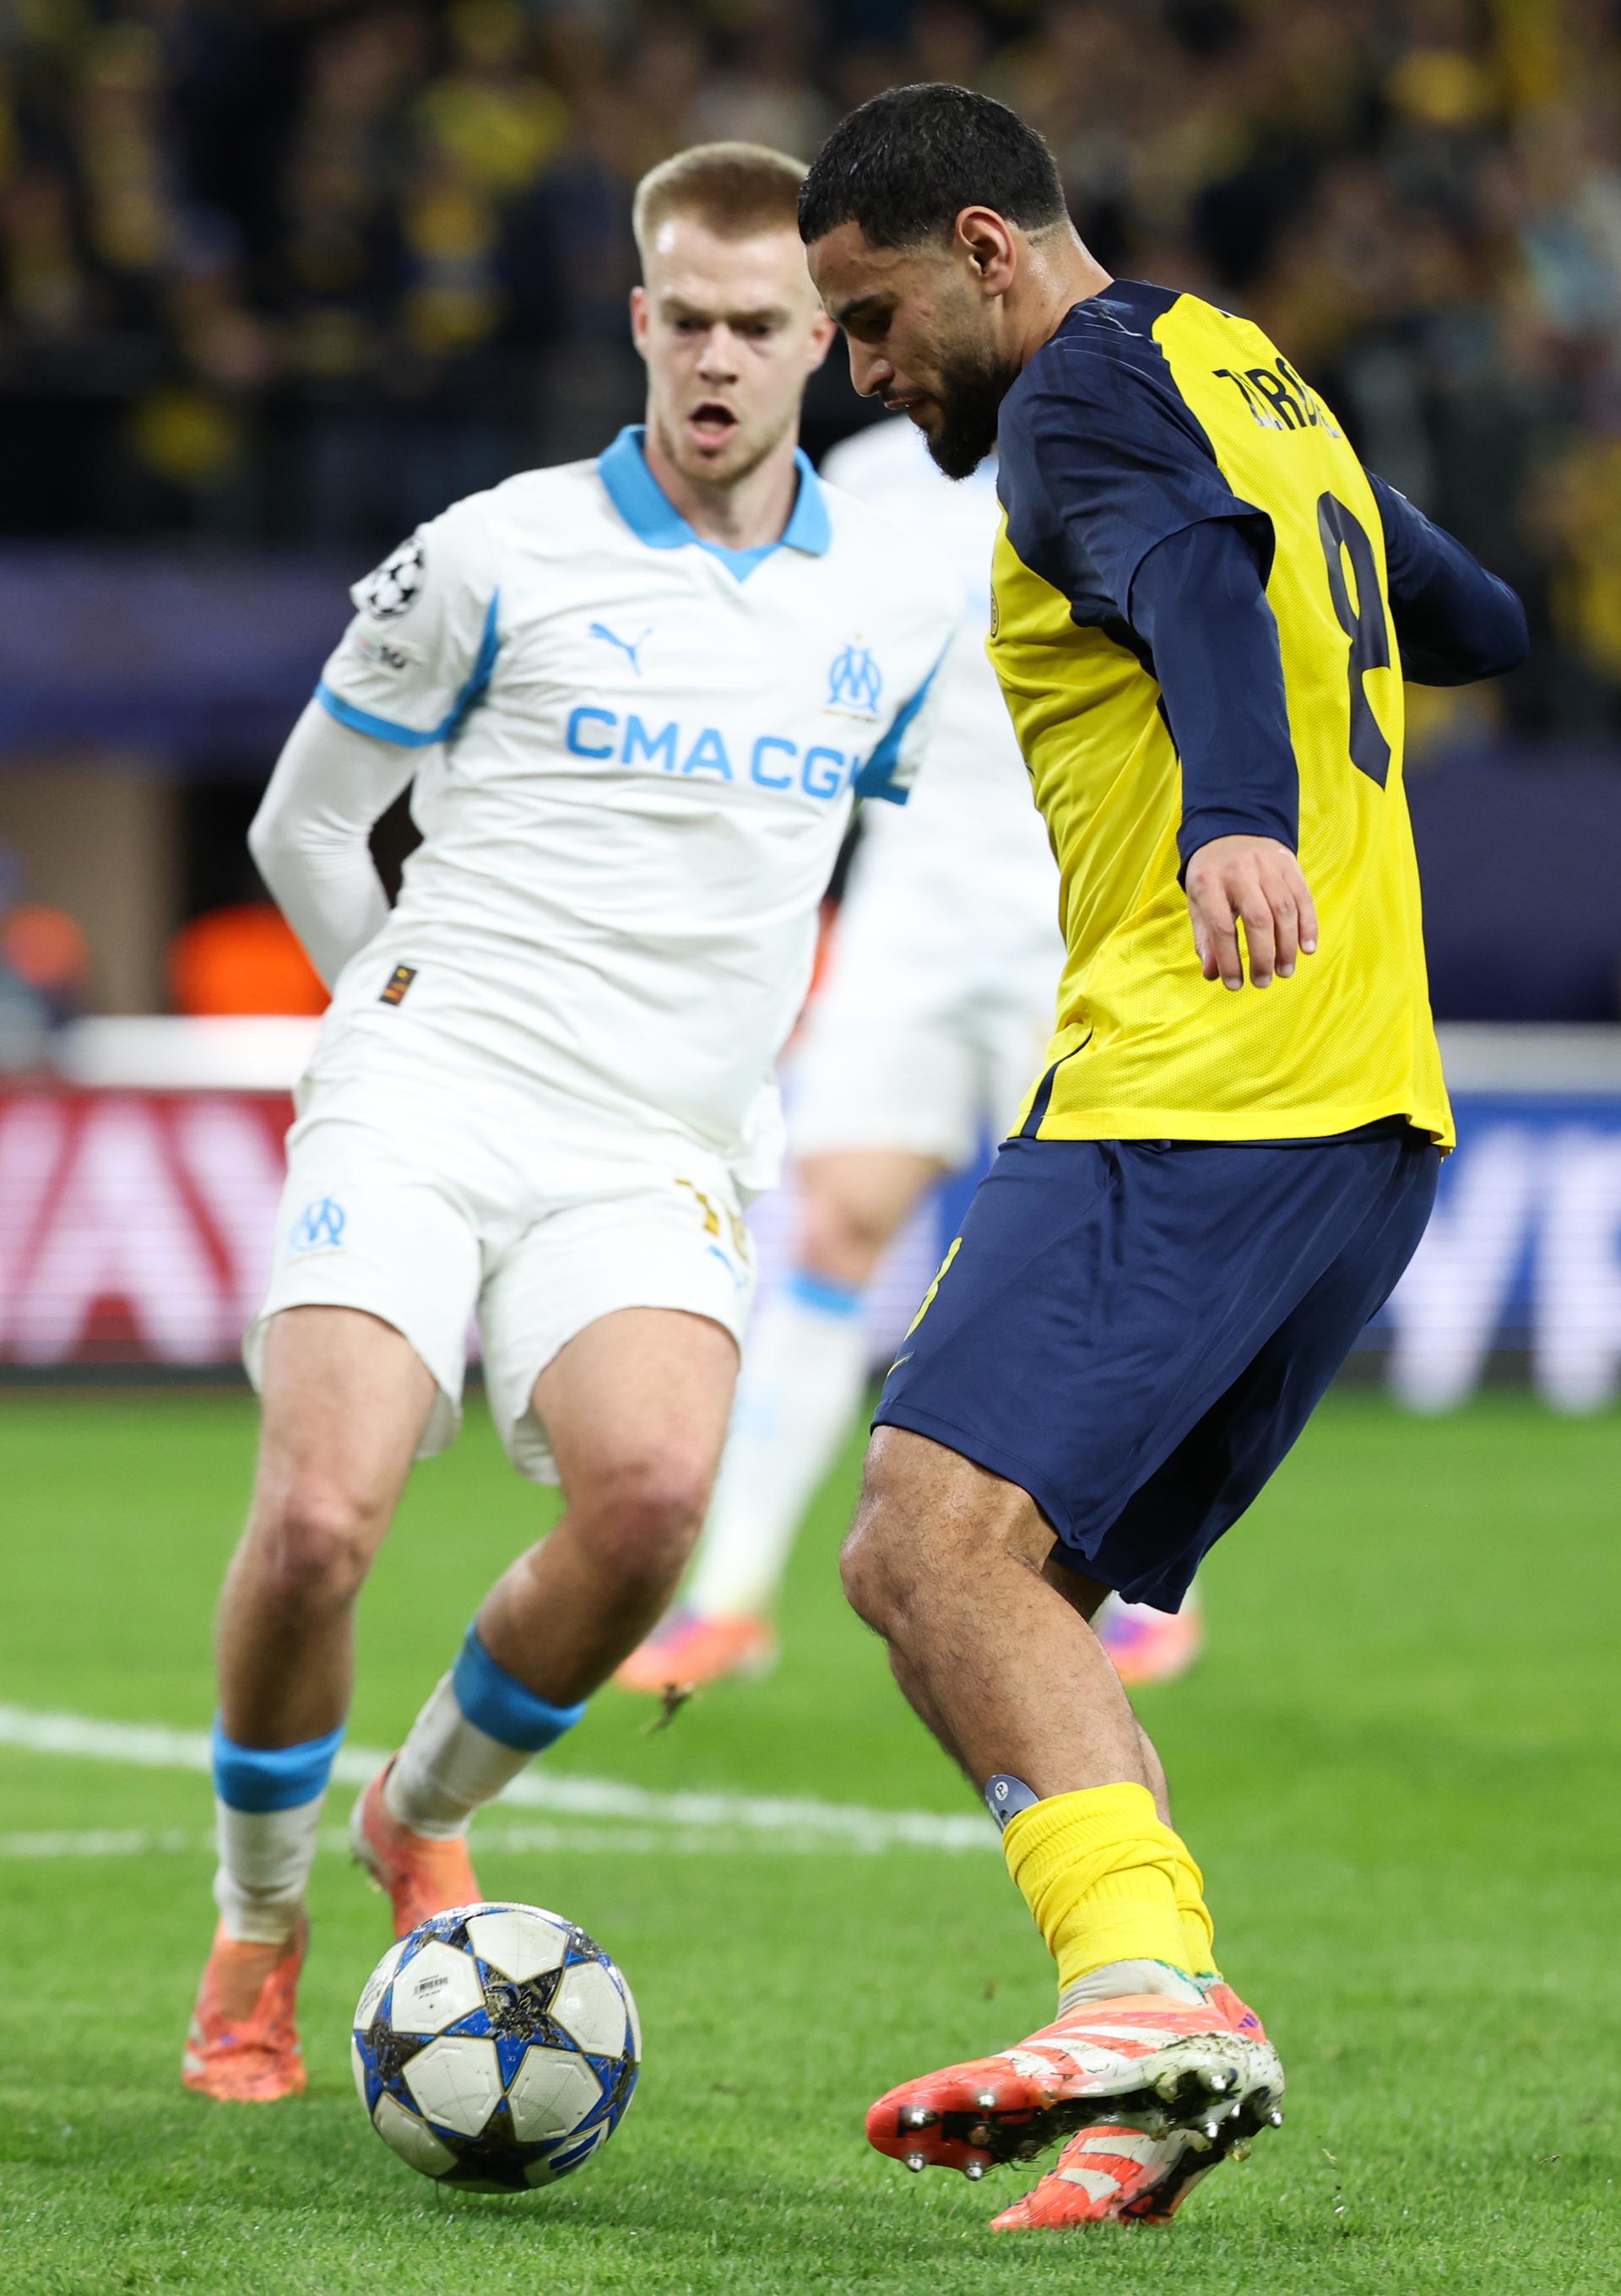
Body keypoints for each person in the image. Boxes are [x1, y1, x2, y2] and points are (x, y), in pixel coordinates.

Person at [798, 84, 1527, 2229]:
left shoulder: (1083, 406)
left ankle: (1138, 1989)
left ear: (987, 247)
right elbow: (1468, 612)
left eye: (870, 316)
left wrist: (1232, 806)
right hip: (1359, 1107)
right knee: (956, 1576)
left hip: (1207, 1075)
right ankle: (1169, 2035)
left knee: (931, 1545)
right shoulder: (1243, 369)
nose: (866, 367)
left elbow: (1197, 574)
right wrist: (1319, 600)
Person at [183, 139, 959, 2105]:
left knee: (646, 1513)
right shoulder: (495, 548)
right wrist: (388, 1019)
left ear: (827, 342)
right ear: (640, 318)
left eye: (760, 328)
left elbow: (923, 837)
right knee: (323, 1515)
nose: (717, 360)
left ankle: (413, 1812)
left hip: (656, 1146)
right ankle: (258, 1920)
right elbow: (301, 822)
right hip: (432, 1089)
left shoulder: (887, 610)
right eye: (685, 321)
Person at [618, 412, 1203, 1696]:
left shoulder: (1142, 444)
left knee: (1087, 1246)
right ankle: (729, 1598)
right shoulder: (874, 476)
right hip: (915, 898)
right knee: (831, 1226)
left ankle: (1147, 1581)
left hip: (1089, 898)